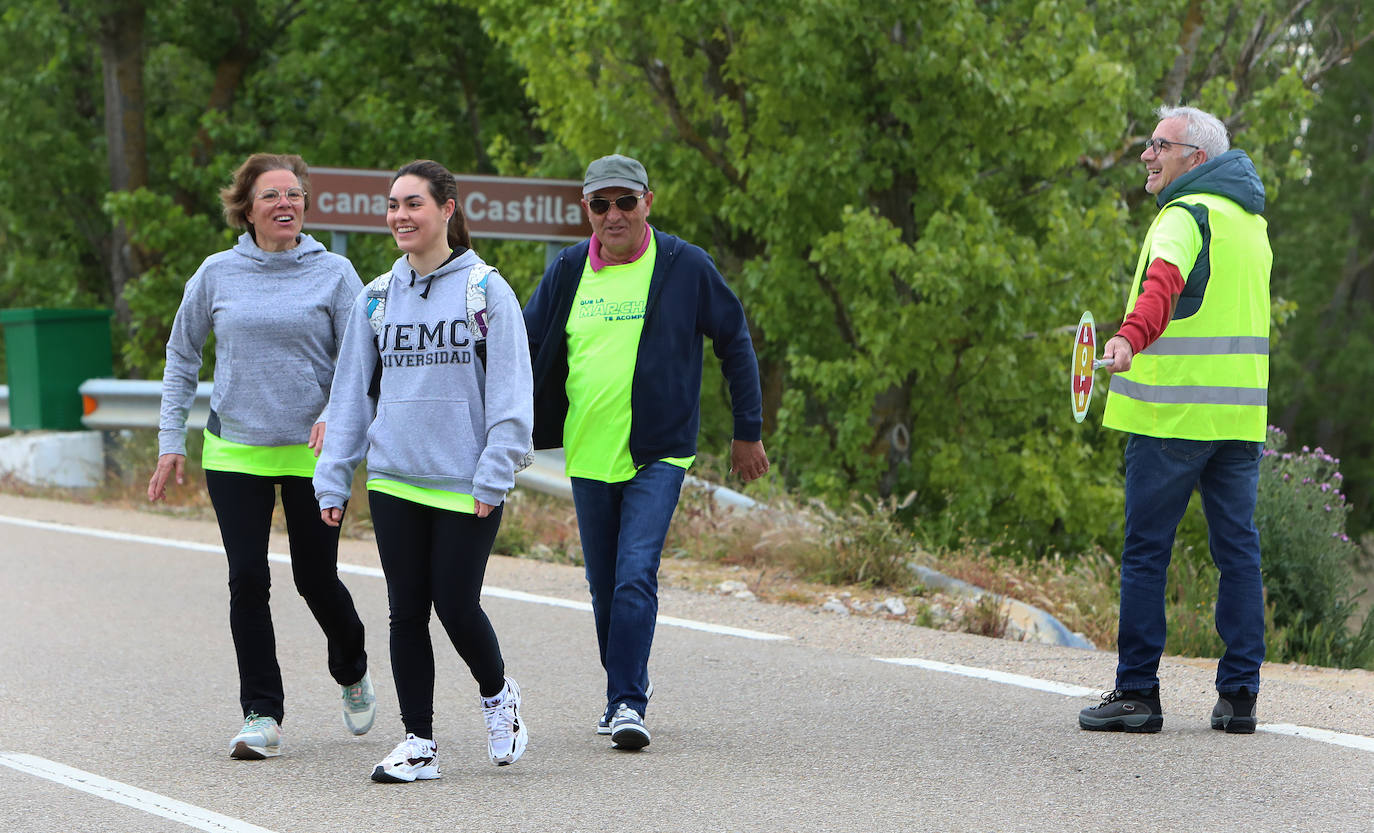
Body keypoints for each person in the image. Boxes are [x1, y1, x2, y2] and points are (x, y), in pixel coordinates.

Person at [523, 153, 769, 750]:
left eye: (625, 202)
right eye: (600, 204)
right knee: (605, 586)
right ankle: (628, 682)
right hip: (586, 453)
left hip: (660, 450)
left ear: (647, 204)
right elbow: (520, 344)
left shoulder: (685, 266)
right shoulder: (566, 271)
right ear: (586, 210)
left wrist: (748, 430)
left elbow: (734, 339)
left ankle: (626, 702)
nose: (613, 216)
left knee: (636, 573)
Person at [149, 153, 375, 760]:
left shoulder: (335, 273)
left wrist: (337, 415)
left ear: (305, 205)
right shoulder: (217, 273)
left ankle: (351, 666)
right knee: (247, 578)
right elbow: (181, 355)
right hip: (235, 448)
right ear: (246, 207)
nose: (285, 204)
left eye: (294, 195)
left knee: (314, 578)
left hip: (312, 451)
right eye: (271, 195)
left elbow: (362, 361)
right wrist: (172, 441)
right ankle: (262, 714)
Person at [314, 160, 532, 781]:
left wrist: (494, 474)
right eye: (392, 206)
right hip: (394, 477)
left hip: (465, 480)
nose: (400, 216)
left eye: (413, 204)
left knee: (457, 604)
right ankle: (419, 743)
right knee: (406, 609)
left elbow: (513, 395)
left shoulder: (486, 291)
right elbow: (349, 395)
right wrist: (335, 477)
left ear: (447, 210)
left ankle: (498, 696)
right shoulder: (377, 297)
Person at [1079, 106, 1272, 735]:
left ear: (1196, 157)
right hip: (1239, 421)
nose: (1145, 155)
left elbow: (1161, 286)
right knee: (1238, 554)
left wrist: (1130, 339)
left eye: (1159, 145)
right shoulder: (1251, 224)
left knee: (1145, 554)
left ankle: (1137, 693)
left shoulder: (1184, 215)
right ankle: (1239, 699)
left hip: (1172, 416)